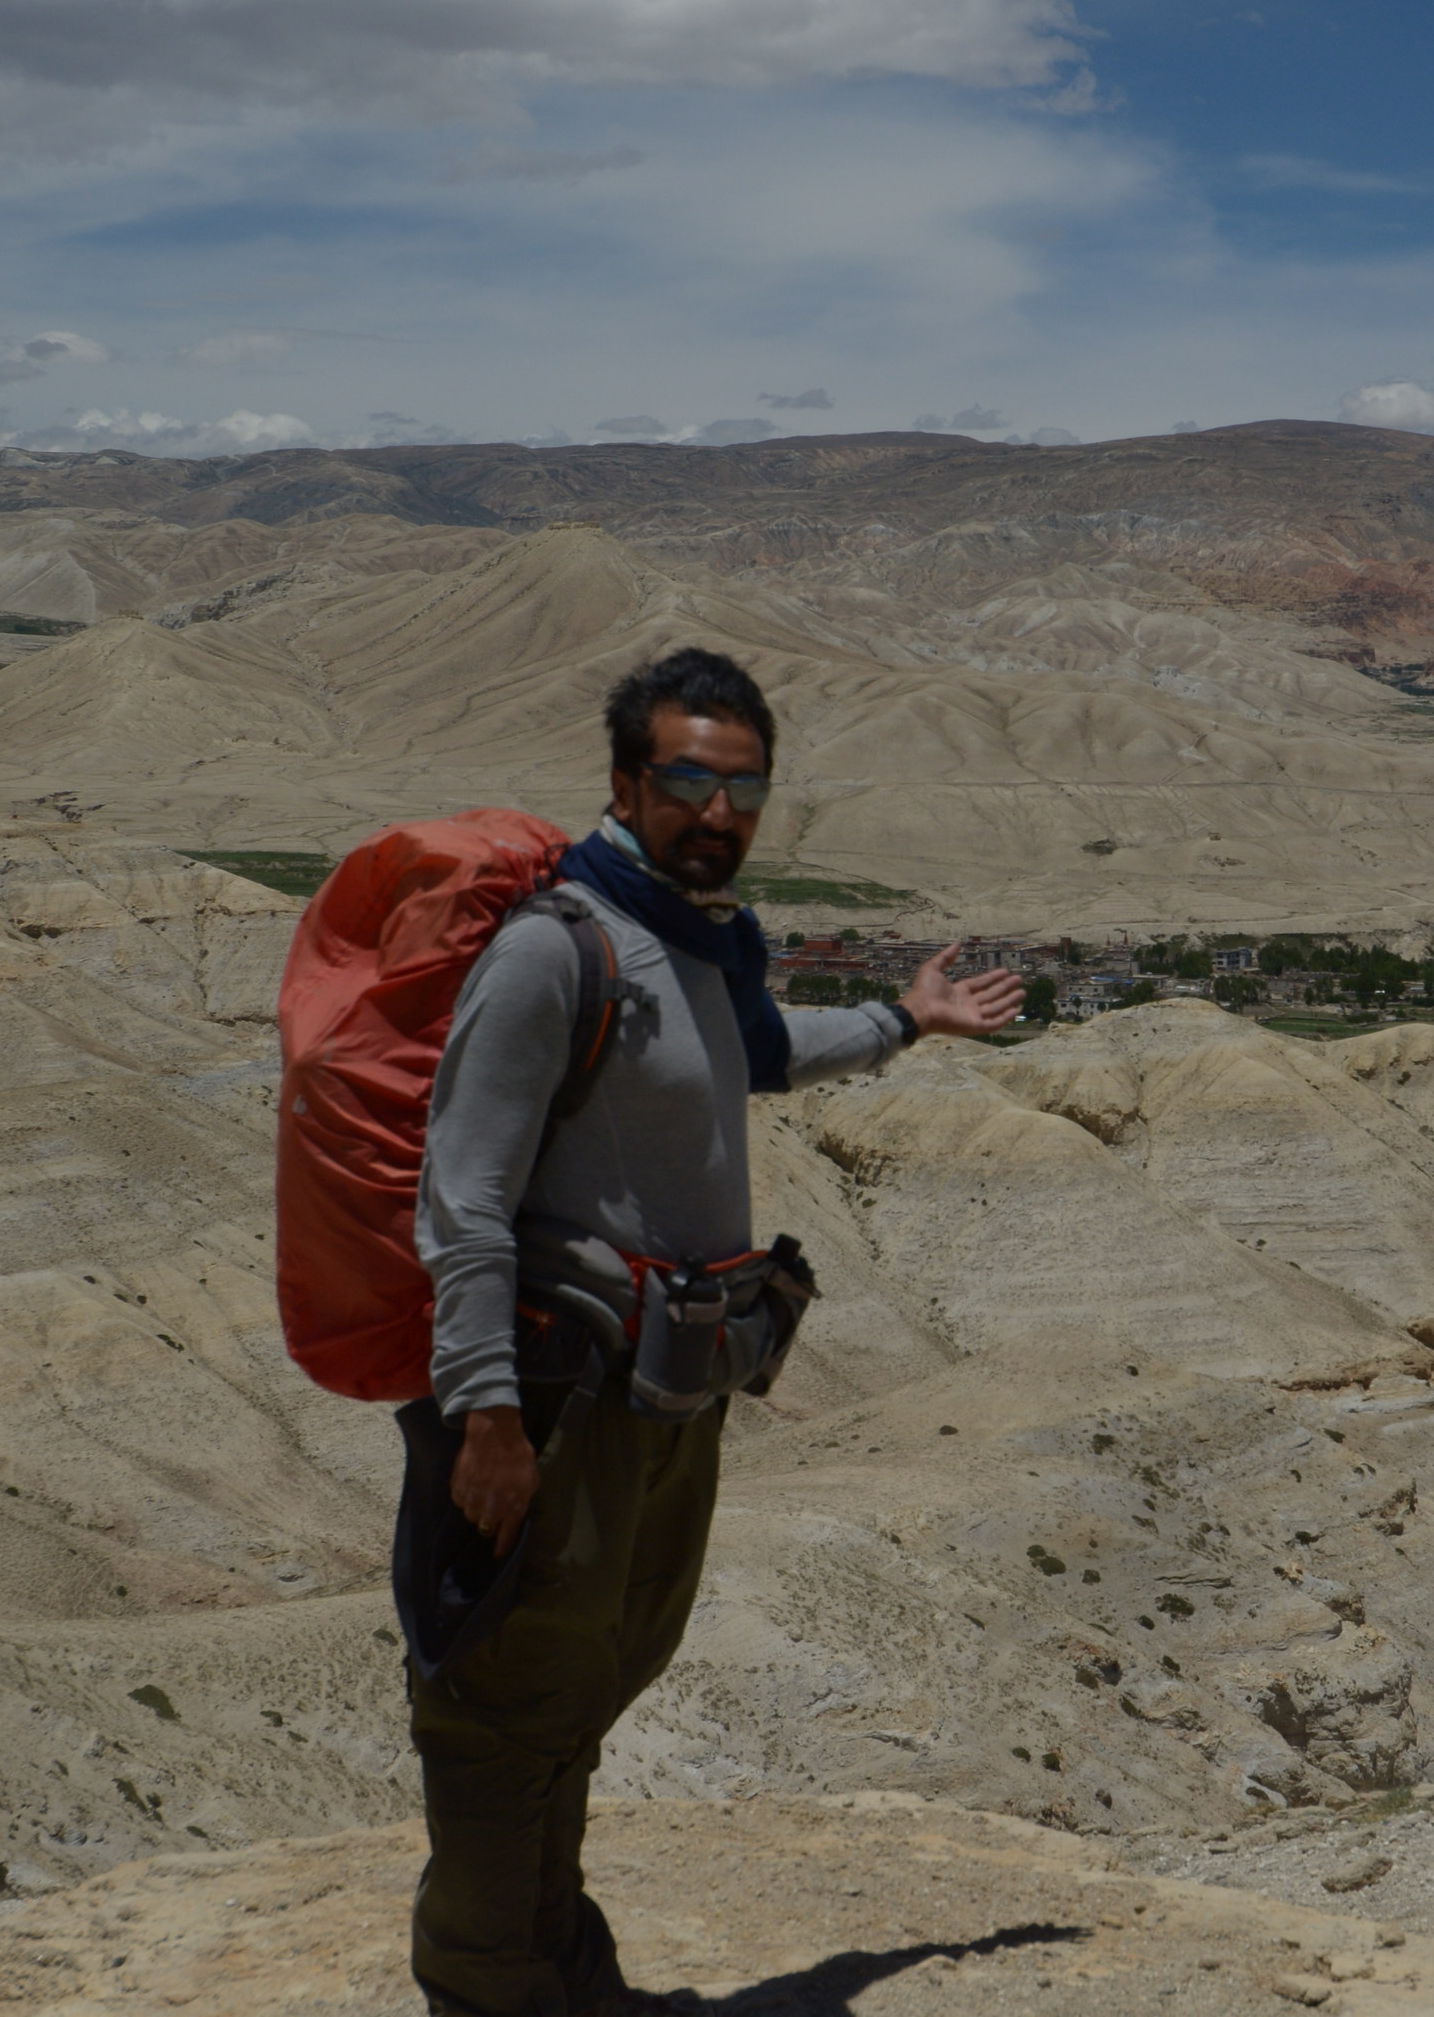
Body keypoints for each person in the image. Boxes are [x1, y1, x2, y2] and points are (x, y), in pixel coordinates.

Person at [406, 646, 1023, 2016]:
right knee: (504, 1708)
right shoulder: (556, 950)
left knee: (591, 1683)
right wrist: (485, 1414)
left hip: (662, 1395)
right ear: (626, 782)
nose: (719, 811)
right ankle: (485, 1989)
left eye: (744, 787)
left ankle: (560, 1978)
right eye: (689, 780)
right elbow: (463, 1199)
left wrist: (904, 1022)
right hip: (551, 1402)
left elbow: (752, 1056)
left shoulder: (697, 943)